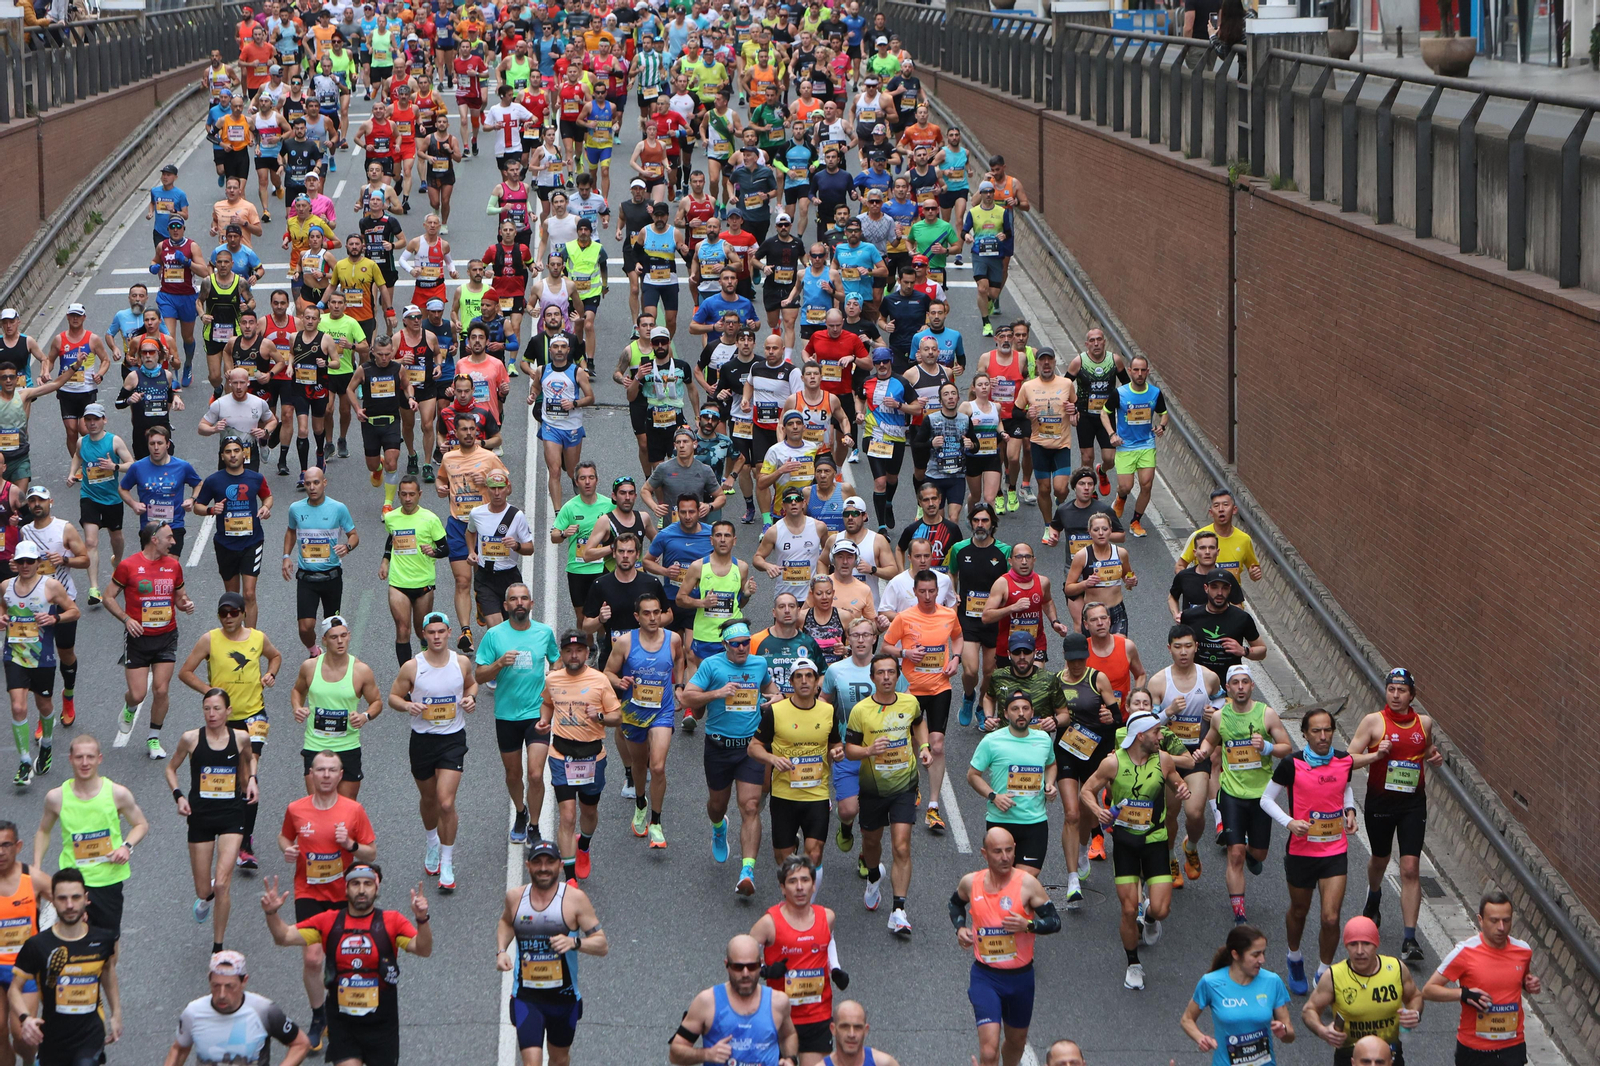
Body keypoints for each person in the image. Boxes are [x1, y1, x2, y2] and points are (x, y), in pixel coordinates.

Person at [260, 864, 431, 1066]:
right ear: (345, 889)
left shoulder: (392, 921)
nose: (361, 890)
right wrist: (271, 914)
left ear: (376, 889)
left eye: (367, 884)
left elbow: (423, 949)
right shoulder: (328, 921)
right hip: (342, 1023)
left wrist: (422, 919)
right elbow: (284, 936)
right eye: (355, 884)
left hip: (382, 1024)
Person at [1079, 702, 1192, 990]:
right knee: (1129, 909)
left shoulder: (1164, 760)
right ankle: (1133, 964)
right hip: (1126, 841)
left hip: (1155, 838)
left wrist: (1182, 788)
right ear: (1140, 735)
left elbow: (1177, 782)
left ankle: (1151, 919)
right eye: (1156, 732)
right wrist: (1098, 810)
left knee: (1162, 908)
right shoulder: (1113, 763)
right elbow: (1086, 790)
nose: (1161, 736)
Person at [275, 748, 377, 1052]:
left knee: (343, 959)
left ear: (341, 775)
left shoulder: (352, 811)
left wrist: (350, 844)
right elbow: (284, 837)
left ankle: (343, 1013)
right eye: (320, 770)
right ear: (311, 774)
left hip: (344, 897)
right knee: (313, 957)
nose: (326, 776)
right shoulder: (296, 809)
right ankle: (320, 1016)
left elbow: (371, 852)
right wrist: (288, 849)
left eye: (332, 770)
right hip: (308, 893)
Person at [175, 592, 281, 868]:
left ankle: (245, 844)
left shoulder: (258, 638)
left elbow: (275, 656)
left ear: (244, 613)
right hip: (225, 720)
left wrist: (271, 673)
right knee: (231, 776)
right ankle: (225, 824)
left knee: (248, 774)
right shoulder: (210, 639)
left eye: (234, 612)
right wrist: (209, 692)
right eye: (224, 613)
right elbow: (185, 672)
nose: (229, 617)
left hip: (254, 715)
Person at [1349, 667, 1442, 963]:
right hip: (1380, 804)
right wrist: (1376, 755)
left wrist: (1433, 756)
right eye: (1391, 689)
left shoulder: (1424, 723)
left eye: (1402, 691)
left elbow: (1425, 748)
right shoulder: (1373, 723)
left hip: (1413, 805)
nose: (1396, 695)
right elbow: (1349, 760)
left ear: (1412, 695)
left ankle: (1410, 939)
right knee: (1380, 859)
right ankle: (1374, 895)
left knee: (1411, 868)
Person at [682, 620, 779, 895]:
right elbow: (689, 697)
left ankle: (747, 871)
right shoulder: (712, 666)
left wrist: (776, 698)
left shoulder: (759, 664)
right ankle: (718, 826)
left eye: (746, 642)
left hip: (750, 748)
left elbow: (771, 689)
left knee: (750, 806)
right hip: (718, 747)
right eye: (735, 644)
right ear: (725, 645)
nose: (742, 648)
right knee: (717, 805)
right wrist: (718, 693)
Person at [1193, 663, 1293, 926]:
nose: (1240, 687)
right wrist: (1201, 752)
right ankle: (1240, 913)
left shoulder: (1266, 714)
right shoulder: (1220, 716)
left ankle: (1252, 852)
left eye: (1245, 682)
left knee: (1258, 854)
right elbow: (1210, 740)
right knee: (1234, 852)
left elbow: (1287, 748)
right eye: (1235, 683)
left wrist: (1268, 746)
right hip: (1232, 793)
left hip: (1261, 796)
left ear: (1252, 686)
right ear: (1228, 688)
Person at [951, 826, 1060, 1066]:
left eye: (1009, 850)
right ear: (984, 854)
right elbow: (955, 904)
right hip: (985, 977)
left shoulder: (1028, 885)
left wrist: (1028, 925)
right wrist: (960, 928)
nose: (1005, 857)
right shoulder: (971, 882)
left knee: (1016, 1043)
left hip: (1020, 978)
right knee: (989, 1052)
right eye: (998, 851)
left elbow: (1055, 922)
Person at [496, 839, 610, 1066]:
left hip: (564, 998)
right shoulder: (515, 897)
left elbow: (602, 944)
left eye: (550, 862)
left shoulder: (575, 900)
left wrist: (574, 943)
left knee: (559, 1060)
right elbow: (506, 922)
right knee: (532, 1062)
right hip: (527, 997)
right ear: (528, 866)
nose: (543, 868)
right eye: (537, 862)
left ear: (559, 865)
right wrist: (501, 950)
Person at [164, 688, 258, 953]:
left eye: (217, 709)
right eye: (207, 709)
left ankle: (218, 947)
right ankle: (206, 898)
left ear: (228, 711)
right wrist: (179, 796)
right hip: (201, 817)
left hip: (231, 815)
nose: (212, 714)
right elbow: (171, 768)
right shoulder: (191, 739)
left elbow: (249, 761)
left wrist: (251, 780)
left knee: (224, 881)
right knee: (204, 888)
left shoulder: (240, 738)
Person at [843, 652, 930, 936]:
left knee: (902, 846)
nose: (886, 677)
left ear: (898, 675)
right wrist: (869, 751)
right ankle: (872, 876)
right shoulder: (860, 711)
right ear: (872, 678)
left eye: (891, 672)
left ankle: (898, 910)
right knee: (871, 842)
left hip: (905, 785)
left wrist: (925, 746)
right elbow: (849, 750)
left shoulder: (910, 702)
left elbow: (918, 723)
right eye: (880, 673)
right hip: (873, 789)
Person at [389, 612, 477, 892]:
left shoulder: (460, 662)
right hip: (423, 740)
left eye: (441, 631)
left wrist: (470, 697)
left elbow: (472, 683)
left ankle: (448, 863)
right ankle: (431, 843)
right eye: (431, 632)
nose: (437, 636)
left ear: (450, 632)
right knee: (428, 799)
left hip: (452, 739)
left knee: (446, 802)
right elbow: (393, 697)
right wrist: (407, 706)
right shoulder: (413, 667)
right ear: (424, 635)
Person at [31, 734, 149, 937]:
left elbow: (140, 824)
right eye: (79, 757)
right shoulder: (56, 797)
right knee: (72, 939)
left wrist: (126, 846)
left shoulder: (117, 793)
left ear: (99, 759)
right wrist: (37, 868)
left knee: (108, 943)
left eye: (90, 757)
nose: (85, 763)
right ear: (70, 759)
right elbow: (43, 831)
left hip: (107, 881)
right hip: (72, 881)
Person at [476, 583, 562, 845]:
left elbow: (556, 660)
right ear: (506, 606)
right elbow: (479, 676)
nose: (519, 603)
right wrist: (499, 663)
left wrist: (554, 678)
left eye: (524, 598)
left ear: (532, 604)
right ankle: (521, 812)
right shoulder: (494, 635)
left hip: (537, 713)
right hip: (506, 715)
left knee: (535, 774)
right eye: (513, 599)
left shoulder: (544, 632)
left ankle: (534, 826)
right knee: (513, 775)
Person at [8, 869, 121, 1064]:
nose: (70, 905)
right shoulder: (37, 946)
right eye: (62, 898)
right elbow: (14, 990)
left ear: (86, 898)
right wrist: (25, 1018)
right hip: (53, 1039)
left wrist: (116, 1013)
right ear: (53, 900)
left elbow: (108, 973)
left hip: (90, 1035)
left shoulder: (103, 940)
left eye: (75, 897)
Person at [105, 522, 197, 758]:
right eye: (169, 537)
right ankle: (130, 708)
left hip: (166, 636)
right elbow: (108, 597)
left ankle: (153, 738)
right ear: (154, 539)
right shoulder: (128, 566)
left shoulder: (174, 566)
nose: (174, 542)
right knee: (137, 694)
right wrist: (126, 619)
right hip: (138, 638)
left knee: (161, 689)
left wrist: (185, 604)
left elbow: (179, 597)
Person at [882, 570, 962, 835]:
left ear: (937, 592)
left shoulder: (949, 615)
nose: (927, 596)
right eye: (922, 591)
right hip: (910, 691)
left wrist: (956, 659)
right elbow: (886, 646)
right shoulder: (905, 618)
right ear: (914, 592)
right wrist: (905, 652)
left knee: (937, 744)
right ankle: (913, 783)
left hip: (940, 687)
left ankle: (933, 804)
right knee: (915, 743)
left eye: (932, 591)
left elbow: (958, 638)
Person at [540, 631, 623, 883]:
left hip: (592, 758)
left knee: (589, 811)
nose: (573, 655)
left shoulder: (599, 681)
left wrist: (599, 716)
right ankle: (570, 878)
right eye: (568, 651)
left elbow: (617, 717)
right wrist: (544, 719)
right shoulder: (553, 680)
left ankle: (584, 846)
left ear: (588, 653)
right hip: (561, 755)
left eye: (578, 650)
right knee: (567, 816)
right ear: (562, 654)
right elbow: (547, 703)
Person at [1423, 890, 1541, 1066]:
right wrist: (1464, 994)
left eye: (1506, 920)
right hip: (1474, 1049)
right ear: (1480, 920)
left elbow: (1521, 978)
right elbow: (1428, 990)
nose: (1501, 927)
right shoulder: (1465, 952)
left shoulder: (1523, 950)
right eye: (1494, 920)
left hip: (1512, 1046)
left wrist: (1529, 984)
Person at [1146, 624, 1223, 887]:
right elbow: (1147, 724)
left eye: (1188, 646)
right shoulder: (1158, 681)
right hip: (1169, 758)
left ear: (1196, 647)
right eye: (1177, 647)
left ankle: (1190, 846)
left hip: (1197, 754)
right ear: (1169, 649)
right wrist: (1167, 712)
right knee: (1170, 815)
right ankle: (1170, 858)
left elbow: (1223, 705)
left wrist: (1215, 714)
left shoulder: (1209, 677)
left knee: (1195, 813)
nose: (1183, 652)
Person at [749, 856, 845, 1066]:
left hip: (818, 1016)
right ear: (783, 888)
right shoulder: (768, 924)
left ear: (813, 885)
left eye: (805, 880)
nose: (800, 887)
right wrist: (764, 970)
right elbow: (742, 961)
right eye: (792, 882)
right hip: (780, 1019)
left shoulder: (827, 917)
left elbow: (828, 941)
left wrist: (836, 968)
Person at [750, 659, 837, 875]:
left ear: (817, 682)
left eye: (809, 676)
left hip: (816, 793)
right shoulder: (776, 711)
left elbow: (835, 744)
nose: (804, 681)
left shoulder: (828, 711)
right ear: (791, 682)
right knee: (784, 860)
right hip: (784, 795)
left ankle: (805, 905)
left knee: (814, 854)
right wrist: (772, 760)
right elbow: (754, 748)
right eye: (799, 676)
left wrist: (838, 751)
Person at [4, 542, 79, 786]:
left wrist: (54, 617)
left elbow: (74, 611)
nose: (25, 566)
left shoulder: (51, 586)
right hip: (14, 655)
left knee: (44, 705)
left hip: (41, 657)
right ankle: (25, 761)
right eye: (21, 562)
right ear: (15, 563)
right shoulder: (5, 586)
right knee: (18, 707)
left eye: (30, 561)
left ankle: (46, 744)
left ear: (38, 562)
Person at [1302, 917, 1422, 1066]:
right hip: (1349, 1056)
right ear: (1346, 946)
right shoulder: (1334, 976)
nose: (1360, 951)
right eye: (1353, 944)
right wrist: (1322, 1030)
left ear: (1376, 945)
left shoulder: (1396, 968)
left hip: (1387, 1055)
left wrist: (1414, 1013)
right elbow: (1309, 1010)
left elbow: (1414, 996)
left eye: (1366, 944)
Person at [670, 934, 799, 1066]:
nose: (745, 973)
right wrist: (706, 1054)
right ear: (727, 965)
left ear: (761, 964)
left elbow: (788, 1035)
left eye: (752, 966)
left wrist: (790, 1059)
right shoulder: (707, 1002)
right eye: (738, 967)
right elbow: (675, 1053)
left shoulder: (778, 1002)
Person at [291, 615, 383, 798]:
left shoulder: (360, 670)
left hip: (347, 746)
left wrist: (365, 716)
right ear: (324, 640)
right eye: (334, 637)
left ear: (349, 636)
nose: (340, 641)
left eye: (343, 636)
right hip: (316, 745)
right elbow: (297, 691)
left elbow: (377, 702)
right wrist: (297, 708)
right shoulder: (310, 667)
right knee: (318, 808)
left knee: (345, 813)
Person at [167, 949, 312, 1066]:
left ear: (244, 982)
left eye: (230, 986)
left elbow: (301, 1044)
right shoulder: (193, 1012)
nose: (222, 994)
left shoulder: (264, 1010)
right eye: (216, 986)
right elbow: (179, 1050)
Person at [967, 693, 1058, 876]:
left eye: (1025, 708)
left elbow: (1051, 764)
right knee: (1002, 879)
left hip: (1035, 823)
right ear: (1006, 714)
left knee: (1024, 883)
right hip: (1001, 822)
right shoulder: (992, 741)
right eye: (1015, 709)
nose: (1021, 713)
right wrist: (994, 796)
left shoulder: (1043, 739)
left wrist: (1049, 784)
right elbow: (973, 775)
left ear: (1032, 712)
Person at [1181, 925, 1295, 1062]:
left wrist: (1284, 1031)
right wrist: (1201, 1038)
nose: (1262, 960)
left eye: (1263, 953)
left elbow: (1289, 1034)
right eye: (1255, 954)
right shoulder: (1211, 983)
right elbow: (1187, 1019)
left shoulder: (1272, 981)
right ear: (1235, 954)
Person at [194, 436, 273, 627]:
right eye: (228, 452)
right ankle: (234, 633)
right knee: (232, 597)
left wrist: (265, 508)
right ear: (222, 456)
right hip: (225, 544)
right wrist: (211, 510)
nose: (232, 455)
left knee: (249, 594)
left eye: (236, 451)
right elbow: (198, 506)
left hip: (252, 542)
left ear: (243, 454)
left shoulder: (256, 478)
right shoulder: (214, 480)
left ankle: (251, 639)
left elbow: (267, 496)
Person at [282, 468, 359, 656]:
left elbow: (354, 535)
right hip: (307, 577)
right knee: (305, 627)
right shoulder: (296, 509)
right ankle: (315, 652)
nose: (312, 487)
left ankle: (333, 661)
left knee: (332, 627)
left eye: (316, 482)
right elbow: (291, 531)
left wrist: (347, 547)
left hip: (331, 576)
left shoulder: (338, 508)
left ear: (324, 483)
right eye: (307, 483)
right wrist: (286, 556)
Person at [65, 404, 132, 609]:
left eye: (96, 419)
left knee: (116, 537)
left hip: (112, 499)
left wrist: (115, 467)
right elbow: (78, 455)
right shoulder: (81, 442)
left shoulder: (114, 441)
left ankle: (118, 562)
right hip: (89, 497)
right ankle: (94, 589)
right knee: (91, 542)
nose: (92, 423)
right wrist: (72, 472)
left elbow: (132, 464)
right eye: (88, 420)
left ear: (104, 420)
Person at [382, 475, 448, 664]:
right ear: (399, 496)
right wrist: (385, 560)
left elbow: (446, 548)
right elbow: (392, 538)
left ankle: (427, 667)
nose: (408, 499)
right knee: (402, 629)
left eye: (412, 494)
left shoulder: (430, 519)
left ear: (419, 495)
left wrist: (434, 552)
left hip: (423, 583)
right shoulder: (391, 517)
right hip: (398, 583)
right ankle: (406, 675)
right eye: (403, 494)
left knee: (422, 631)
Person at [0, 820, 49, 1066]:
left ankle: (31, 1062)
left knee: (22, 1036)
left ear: (18, 846)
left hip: (26, 970)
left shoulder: (34, 878)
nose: (0, 852)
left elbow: (66, 901)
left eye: (6, 845)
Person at [1100, 355, 1166, 538]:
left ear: (1147, 372)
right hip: (1125, 446)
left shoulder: (1155, 393)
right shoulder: (1120, 393)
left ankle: (1136, 521)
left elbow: (1163, 413)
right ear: (1129, 371)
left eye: (1142, 370)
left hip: (1146, 444)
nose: (1139, 374)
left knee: (1146, 484)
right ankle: (1121, 497)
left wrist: (1161, 426)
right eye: (1135, 370)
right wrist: (1112, 434)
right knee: (1126, 487)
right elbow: (1104, 414)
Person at [466, 470, 533, 631]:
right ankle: (499, 655)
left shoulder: (516, 515)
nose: (497, 493)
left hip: (509, 577)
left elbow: (530, 548)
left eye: (500, 488)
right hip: (485, 576)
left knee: (513, 624)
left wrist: (516, 545)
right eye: (493, 488)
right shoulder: (477, 513)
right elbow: (470, 532)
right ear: (487, 489)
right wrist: (471, 552)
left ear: (507, 489)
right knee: (495, 627)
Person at [825, 1000, 903, 1066]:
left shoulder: (884, 1063)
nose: (851, 1034)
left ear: (866, 1030)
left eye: (857, 1027)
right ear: (833, 1029)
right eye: (845, 1027)